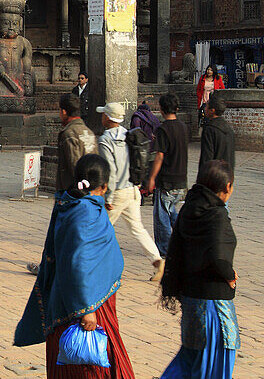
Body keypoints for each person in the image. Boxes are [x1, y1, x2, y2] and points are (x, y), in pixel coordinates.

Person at [15, 154, 147, 379]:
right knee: (102, 367)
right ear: (102, 186)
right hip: (87, 303)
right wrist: (86, 308)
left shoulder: (72, 203)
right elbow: (78, 262)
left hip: (70, 300)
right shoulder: (84, 213)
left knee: (70, 366)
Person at [137, 160, 256, 379]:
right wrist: (228, 273)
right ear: (226, 188)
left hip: (192, 301)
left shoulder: (191, 208)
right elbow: (217, 255)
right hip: (213, 304)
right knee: (217, 367)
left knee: (192, 361)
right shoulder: (215, 215)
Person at [27, 93, 97, 276]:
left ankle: (50, 267)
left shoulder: (68, 134)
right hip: (89, 192)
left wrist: (76, 190)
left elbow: (75, 165)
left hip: (70, 193)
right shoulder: (88, 132)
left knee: (57, 234)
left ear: (64, 111)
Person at [97, 102, 163, 282]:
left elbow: (110, 169)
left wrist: (108, 196)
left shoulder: (105, 140)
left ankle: (97, 266)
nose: (102, 117)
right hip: (133, 189)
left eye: (104, 115)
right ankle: (157, 260)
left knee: (100, 229)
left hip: (117, 191)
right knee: (137, 229)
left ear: (108, 118)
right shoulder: (129, 135)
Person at [146, 92, 189, 259]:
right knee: (172, 212)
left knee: (162, 217)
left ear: (161, 109)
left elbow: (159, 156)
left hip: (166, 179)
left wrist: (151, 178)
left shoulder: (163, 129)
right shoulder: (184, 127)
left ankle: (165, 250)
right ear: (176, 109)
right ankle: (183, 240)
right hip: (181, 179)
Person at [199, 92, 235, 176]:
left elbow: (206, 157)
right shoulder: (229, 129)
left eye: (207, 107)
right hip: (226, 174)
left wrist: (202, 177)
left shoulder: (209, 129)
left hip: (213, 176)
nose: (205, 109)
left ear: (212, 110)